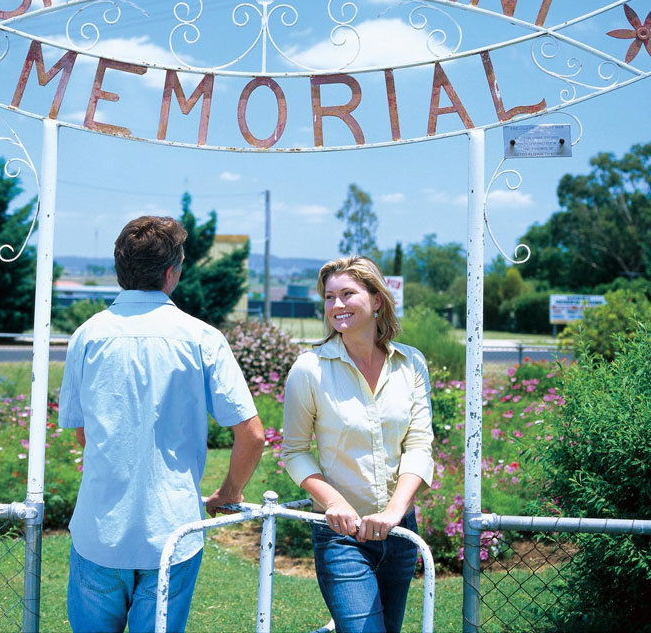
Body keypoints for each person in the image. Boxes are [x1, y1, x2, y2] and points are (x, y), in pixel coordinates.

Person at [59, 215, 264, 633]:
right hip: (173, 532)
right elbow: (252, 433)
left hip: (100, 529)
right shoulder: (202, 338)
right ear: (172, 271)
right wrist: (230, 492)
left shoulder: (86, 336)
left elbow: (84, 433)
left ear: (120, 269)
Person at [282, 256, 434, 633]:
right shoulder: (309, 369)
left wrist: (396, 512)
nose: (336, 305)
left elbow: (418, 445)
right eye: (329, 297)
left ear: (377, 299)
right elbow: (295, 452)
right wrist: (333, 502)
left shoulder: (411, 363)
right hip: (341, 538)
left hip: (400, 534)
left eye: (347, 294)